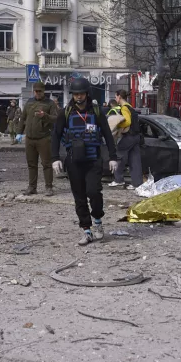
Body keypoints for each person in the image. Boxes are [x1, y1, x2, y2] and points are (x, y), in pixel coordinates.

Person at [51, 77, 118, 246]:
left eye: (81, 93)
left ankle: (98, 222)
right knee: (79, 197)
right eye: (75, 94)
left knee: (94, 192)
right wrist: (55, 158)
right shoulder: (65, 112)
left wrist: (113, 157)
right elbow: (56, 136)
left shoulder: (96, 111)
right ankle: (86, 230)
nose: (78, 97)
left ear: (87, 93)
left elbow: (108, 136)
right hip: (74, 160)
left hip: (93, 158)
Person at [16, 82, 58, 195]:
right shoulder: (29, 102)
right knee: (31, 164)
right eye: (36, 91)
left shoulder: (50, 104)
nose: (38, 93)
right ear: (33, 91)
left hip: (43, 138)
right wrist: (19, 133)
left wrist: (44, 115)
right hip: (30, 139)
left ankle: (49, 187)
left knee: (47, 164)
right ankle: (32, 187)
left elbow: (56, 119)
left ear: (44, 91)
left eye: (40, 91)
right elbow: (22, 118)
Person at [108, 89, 143, 190]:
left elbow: (127, 122)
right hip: (136, 136)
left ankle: (118, 180)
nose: (115, 99)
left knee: (118, 155)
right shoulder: (130, 106)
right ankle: (137, 183)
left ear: (119, 97)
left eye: (115, 96)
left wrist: (118, 124)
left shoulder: (124, 108)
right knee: (135, 160)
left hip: (129, 136)